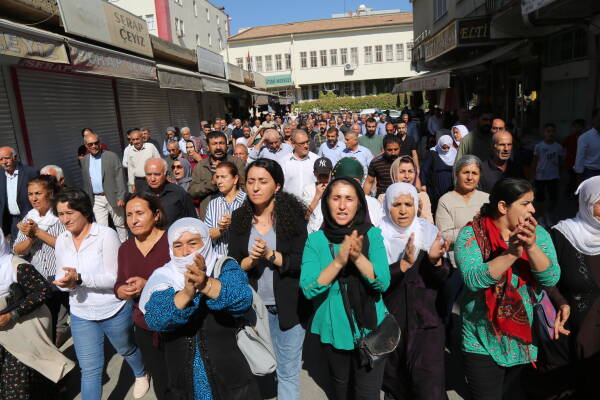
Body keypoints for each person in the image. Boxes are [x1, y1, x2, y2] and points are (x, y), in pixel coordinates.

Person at [454, 178, 560, 399]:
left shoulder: (539, 234)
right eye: (525, 203)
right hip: (481, 339)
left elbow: (551, 278)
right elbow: (473, 279)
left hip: (523, 341)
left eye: (532, 203)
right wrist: (511, 254)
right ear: (503, 207)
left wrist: (531, 247)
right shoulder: (471, 235)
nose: (533, 209)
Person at [139, 218, 260, 399]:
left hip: (232, 378)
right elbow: (156, 319)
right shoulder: (164, 276)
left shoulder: (224, 266)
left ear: (206, 243)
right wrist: (187, 292)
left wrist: (205, 284)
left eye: (193, 243)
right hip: (185, 383)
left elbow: (242, 298)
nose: (186, 251)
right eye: (178, 245)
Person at [52, 188, 149, 400]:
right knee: (90, 370)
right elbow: (61, 275)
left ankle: (141, 373)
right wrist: (66, 283)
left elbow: (115, 278)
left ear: (85, 211)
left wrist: (80, 278)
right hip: (81, 313)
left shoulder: (106, 235)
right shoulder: (61, 240)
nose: (65, 219)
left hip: (112, 309)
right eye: (60, 214)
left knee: (126, 349)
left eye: (70, 213)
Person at [300, 177, 391, 400]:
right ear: (326, 203)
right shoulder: (315, 240)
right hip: (334, 330)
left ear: (359, 204)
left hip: (371, 329)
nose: (342, 206)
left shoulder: (372, 234)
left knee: (368, 394)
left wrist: (358, 257)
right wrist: (339, 261)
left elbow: (382, 282)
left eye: (349, 199)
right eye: (336, 198)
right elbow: (308, 287)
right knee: (341, 390)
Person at [228, 158, 308, 400]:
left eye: (263, 181)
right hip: (253, 309)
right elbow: (233, 264)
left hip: (289, 307)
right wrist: (251, 260)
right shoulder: (239, 218)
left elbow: (302, 262)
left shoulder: (293, 217)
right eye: (251, 181)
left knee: (287, 372)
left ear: (277, 186)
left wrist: (271, 255)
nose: (255, 187)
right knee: (258, 369)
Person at [379, 182, 450, 400]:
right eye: (396, 204)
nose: (403, 210)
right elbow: (374, 281)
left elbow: (442, 278)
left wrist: (435, 262)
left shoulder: (428, 232)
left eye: (408, 204)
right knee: (396, 383)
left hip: (426, 321)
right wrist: (401, 266)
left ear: (416, 206)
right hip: (391, 321)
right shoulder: (378, 235)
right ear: (387, 207)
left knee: (429, 385)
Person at [543, 176, 600, 398]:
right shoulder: (562, 235)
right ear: (586, 203)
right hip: (572, 325)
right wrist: (560, 303)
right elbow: (546, 279)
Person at [0, 232, 75, 399]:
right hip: (3, 335)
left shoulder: (16, 266)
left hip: (23, 328)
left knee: (18, 381)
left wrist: (12, 314)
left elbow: (42, 291)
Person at [114, 192, 170, 399]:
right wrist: (121, 291)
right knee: (162, 384)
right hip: (144, 326)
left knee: (184, 381)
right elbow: (119, 282)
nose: (133, 220)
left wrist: (149, 286)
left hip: (176, 324)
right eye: (129, 215)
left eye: (139, 213)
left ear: (156, 215)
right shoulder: (125, 249)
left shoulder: (173, 241)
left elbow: (186, 283)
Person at [13, 175, 68, 342]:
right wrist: (30, 238)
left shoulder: (61, 215)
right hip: (41, 280)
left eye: (38, 193)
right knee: (48, 324)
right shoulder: (30, 217)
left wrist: (37, 232)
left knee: (77, 316)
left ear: (50, 193)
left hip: (65, 276)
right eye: (30, 194)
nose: (34, 198)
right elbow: (17, 250)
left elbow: (66, 245)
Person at [435, 155, 489, 268]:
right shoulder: (445, 200)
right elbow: (445, 235)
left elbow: (495, 229)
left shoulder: (487, 199)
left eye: (474, 173)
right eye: (465, 172)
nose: (470, 177)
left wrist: (461, 231)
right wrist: (476, 229)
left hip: (486, 262)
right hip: (457, 264)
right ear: (456, 174)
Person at [80, 133, 128, 242]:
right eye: (90, 144)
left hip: (113, 196)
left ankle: (124, 245)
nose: (94, 146)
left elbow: (120, 177)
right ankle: (109, 246)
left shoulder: (111, 156)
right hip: (96, 199)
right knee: (102, 228)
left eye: (96, 143)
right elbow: (86, 182)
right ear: (86, 146)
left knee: (120, 224)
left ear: (99, 142)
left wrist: (121, 196)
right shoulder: (84, 160)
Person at [189, 131, 246, 219]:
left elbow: (244, 188)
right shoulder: (201, 166)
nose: (218, 147)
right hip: (209, 215)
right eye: (214, 144)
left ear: (227, 146)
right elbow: (192, 192)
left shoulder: (237, 162)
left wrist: (226, 172)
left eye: (221, 143)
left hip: (234, 214)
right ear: (208, 147)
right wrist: (212, 183)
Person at [204, 162, 246, 257]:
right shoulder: (213, 204)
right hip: (220, 260)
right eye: (217, 177)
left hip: (243, 259)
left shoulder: (247, 201)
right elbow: (206, 235)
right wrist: (221, 229)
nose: (219, 181)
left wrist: (235, 222)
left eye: (223, 177)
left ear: (235, 179)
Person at [143, 158, 197, 227]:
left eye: (157, 174)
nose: (152, 179)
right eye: (149, 174)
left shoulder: (179, 193)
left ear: (165, 174)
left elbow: (193, 221)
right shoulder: (141, 195)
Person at [0, 147, 38, 241]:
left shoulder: (30, 172)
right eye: (1, 159)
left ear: (15, 157)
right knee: (16, 246)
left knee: (33, 244)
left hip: (30, 218)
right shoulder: (1, 175)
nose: (4, 162)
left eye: (7, 158)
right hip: (13, 221)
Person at [533, 123, 565, 227]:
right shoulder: (539, 146)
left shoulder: (558, 147)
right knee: (540, 199)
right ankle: (541, 216)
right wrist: (532, 177)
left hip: (553, 176)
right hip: (540, 177)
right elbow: (535, 162)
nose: (550, 134)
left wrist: (561, 176)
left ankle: (548, 215)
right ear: (544, 133)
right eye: (548, 131)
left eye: (552, 131)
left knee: (553, 198)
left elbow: (561, 162)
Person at [387, 156, 433, 223]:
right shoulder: (384, 198)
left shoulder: (422, 196)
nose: (407, 176)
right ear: (394, 174)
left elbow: (430, 225)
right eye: (402, 172)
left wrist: (418, 213)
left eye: (410, 171)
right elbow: (377, 226)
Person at [421, 135, 457, 213]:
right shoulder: (433, 153)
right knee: (437, 207)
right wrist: (423, 184)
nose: (446, 150)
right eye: (444, 147)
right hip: (436, 186)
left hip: (450, 185)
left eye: (448, 147)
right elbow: (424, 169)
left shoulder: (454, 153)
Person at [282, 130, 319, 199]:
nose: (306, 146)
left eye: (307, 142)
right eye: (302, 143)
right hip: (290, 203)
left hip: (312, 203)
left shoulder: (316, 159)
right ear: (293, 144)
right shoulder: (284, 162)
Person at [302, 157, 334, 234]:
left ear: (331, 173)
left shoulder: (336, 188)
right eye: (320, 175)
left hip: (330, 232)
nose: (323, 179)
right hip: (312, 232)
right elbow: (305, 216)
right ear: (315, 173)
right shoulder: (308, 189)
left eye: (326, 175)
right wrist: (317, 196)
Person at [127, 129, 161, 194]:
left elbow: (159, 162)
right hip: (138, 182)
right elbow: (130, 168)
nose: (136, 142)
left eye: (137, 139)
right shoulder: (130, 151)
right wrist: (132, 184)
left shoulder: (150, 147)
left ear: (142, 138)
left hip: (152, 179)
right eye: (133, 140)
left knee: (154, 198)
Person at [574, 108, 600, 180]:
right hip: (591, 173)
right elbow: (580, 158)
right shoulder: (585, 137)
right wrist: (579, 178)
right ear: (593, 119)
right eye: (599, 119)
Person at [561, 119, 586, 195]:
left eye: (579, 127)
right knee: (571, 179)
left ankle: (577, 194)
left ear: (583, 128)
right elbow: (562, 149)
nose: (577, 128)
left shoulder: (586, 138)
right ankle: (569, 193)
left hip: (582, 163)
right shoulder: (569, 138)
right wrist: (563, 160)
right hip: (570, 163)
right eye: (575, 126)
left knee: (579, 180)